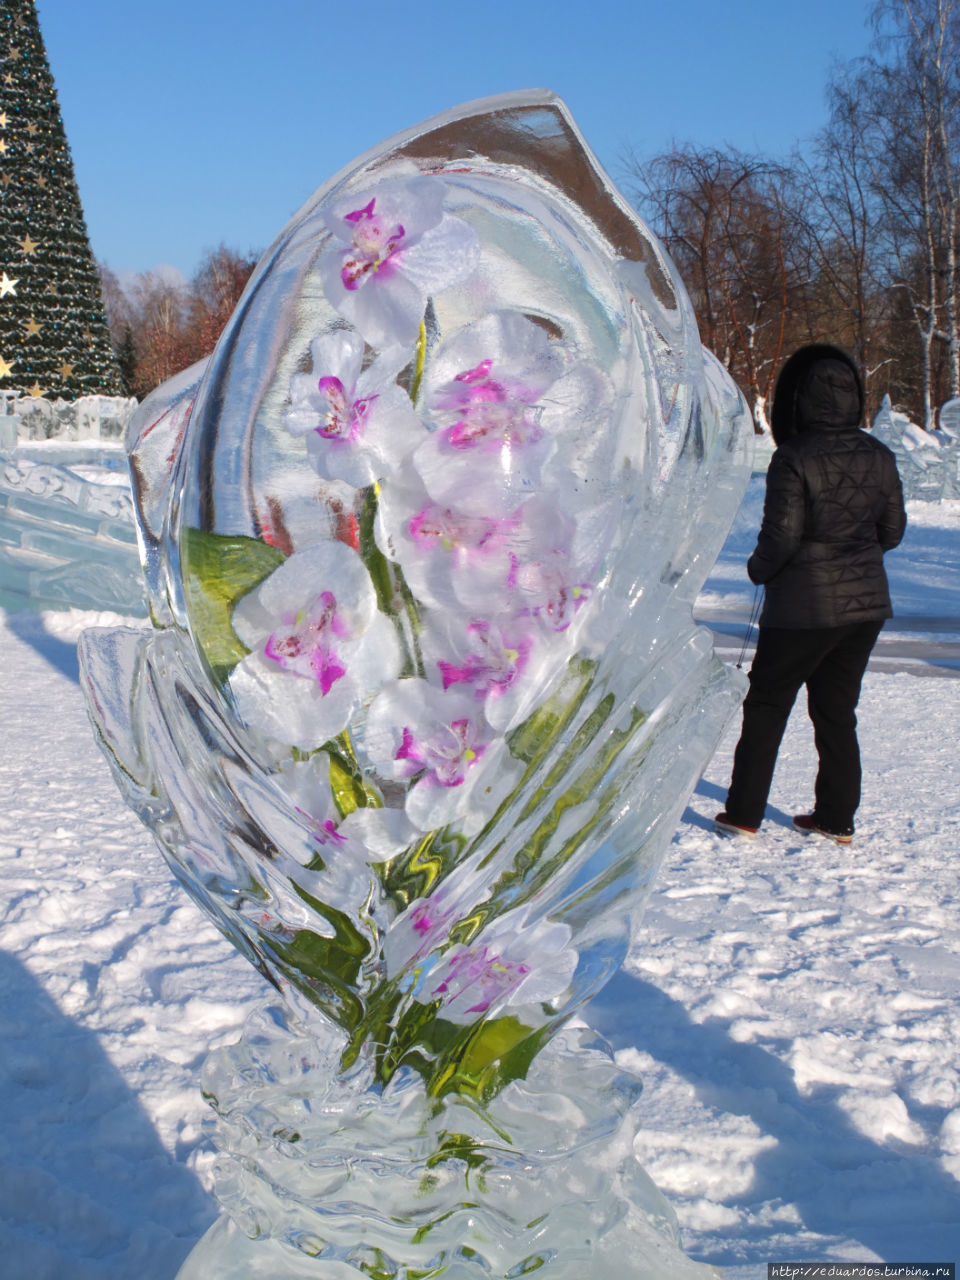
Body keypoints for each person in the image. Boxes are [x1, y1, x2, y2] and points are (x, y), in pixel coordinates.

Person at [714, 343, 906, 845]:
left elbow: (782, 536)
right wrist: (854, 554)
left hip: (802, 607)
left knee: (767, 705)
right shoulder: (880, 454)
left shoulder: (793, 457)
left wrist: (759, 568)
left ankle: (743, 813)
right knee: (837, 710)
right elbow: (893, 531)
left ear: (799, 400)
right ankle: (836, 819)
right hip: (865, 607)